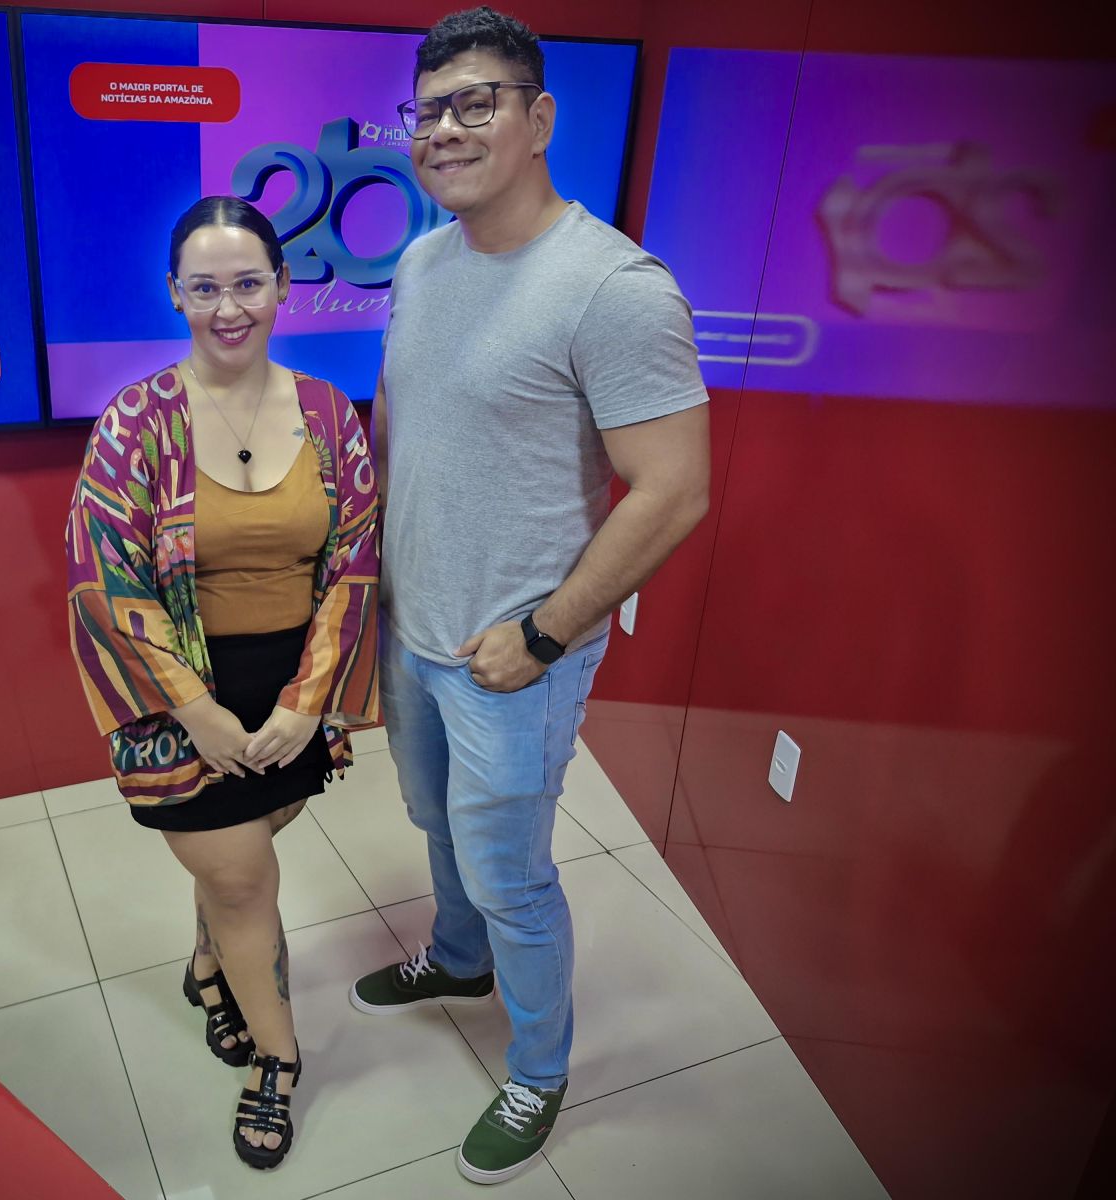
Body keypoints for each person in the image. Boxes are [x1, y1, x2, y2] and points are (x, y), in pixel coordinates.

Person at [347, 6, 712, 1186]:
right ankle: (457, 959)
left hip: (515, 656)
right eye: (427, 110)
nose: (444, 129)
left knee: (512, 872)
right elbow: (402, 421)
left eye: (476, 101)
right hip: (414, 628)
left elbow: (674, 490)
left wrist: (544, 636)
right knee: (436, 823)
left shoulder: (613, 287)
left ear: (540, 117)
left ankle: (540, 1068)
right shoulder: (421, 261)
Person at [66, 196, 380, 1171]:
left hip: (292, 689)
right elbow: (104, 583)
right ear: (175, 295)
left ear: (282, 287)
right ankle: (278, 1061)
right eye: (204, 288)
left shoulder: (329, 413)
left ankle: (210, 965)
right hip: (176, 694)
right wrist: (195, 712)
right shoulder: (134, 423)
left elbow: (355, 563)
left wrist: (305, 703)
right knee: (242, 878)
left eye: (247, 283)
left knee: (242, 853)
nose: (228, 307)